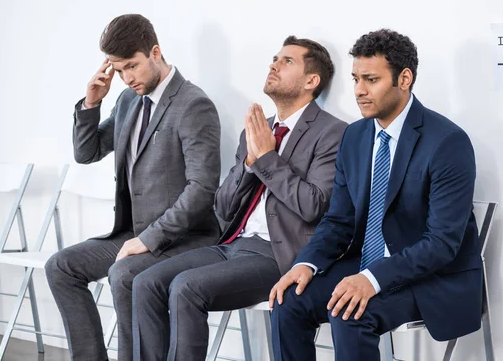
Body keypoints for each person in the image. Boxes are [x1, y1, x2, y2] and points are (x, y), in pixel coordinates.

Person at [269, 29, 482, 361]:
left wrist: (372, 279)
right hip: (366, 263)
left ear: (404, 78)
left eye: (370, 79)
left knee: (350, 312)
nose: (359, 91)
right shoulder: (355, 136)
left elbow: (441, 244)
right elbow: (338, 220)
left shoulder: (447, 143)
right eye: (355, 79)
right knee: (289, 299)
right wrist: (306, 263)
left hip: (428, 277)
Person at [131, 36, 347, 361]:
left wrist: (267, 160)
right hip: (231, 245)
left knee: (186, 288)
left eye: (287, 61)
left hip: (278, 255)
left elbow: (314, 205)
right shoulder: (257, 130)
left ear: (311, 80)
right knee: (145, 282)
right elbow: (224, 207)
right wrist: (249, 164)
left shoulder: (334, 132)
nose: (273, 64)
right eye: (274, 57)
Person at [44, 14, 221, 361]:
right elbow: (88, 152)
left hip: (182, 239)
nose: (126, 78)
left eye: (132, 67)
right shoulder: (127, 101)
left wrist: (150, 239)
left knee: (123, 274)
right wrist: (92, 103)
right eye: (118, 69)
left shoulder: (193, 105)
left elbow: (202, 188)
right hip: (132, 235)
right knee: (60, 266)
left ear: (155, 52)